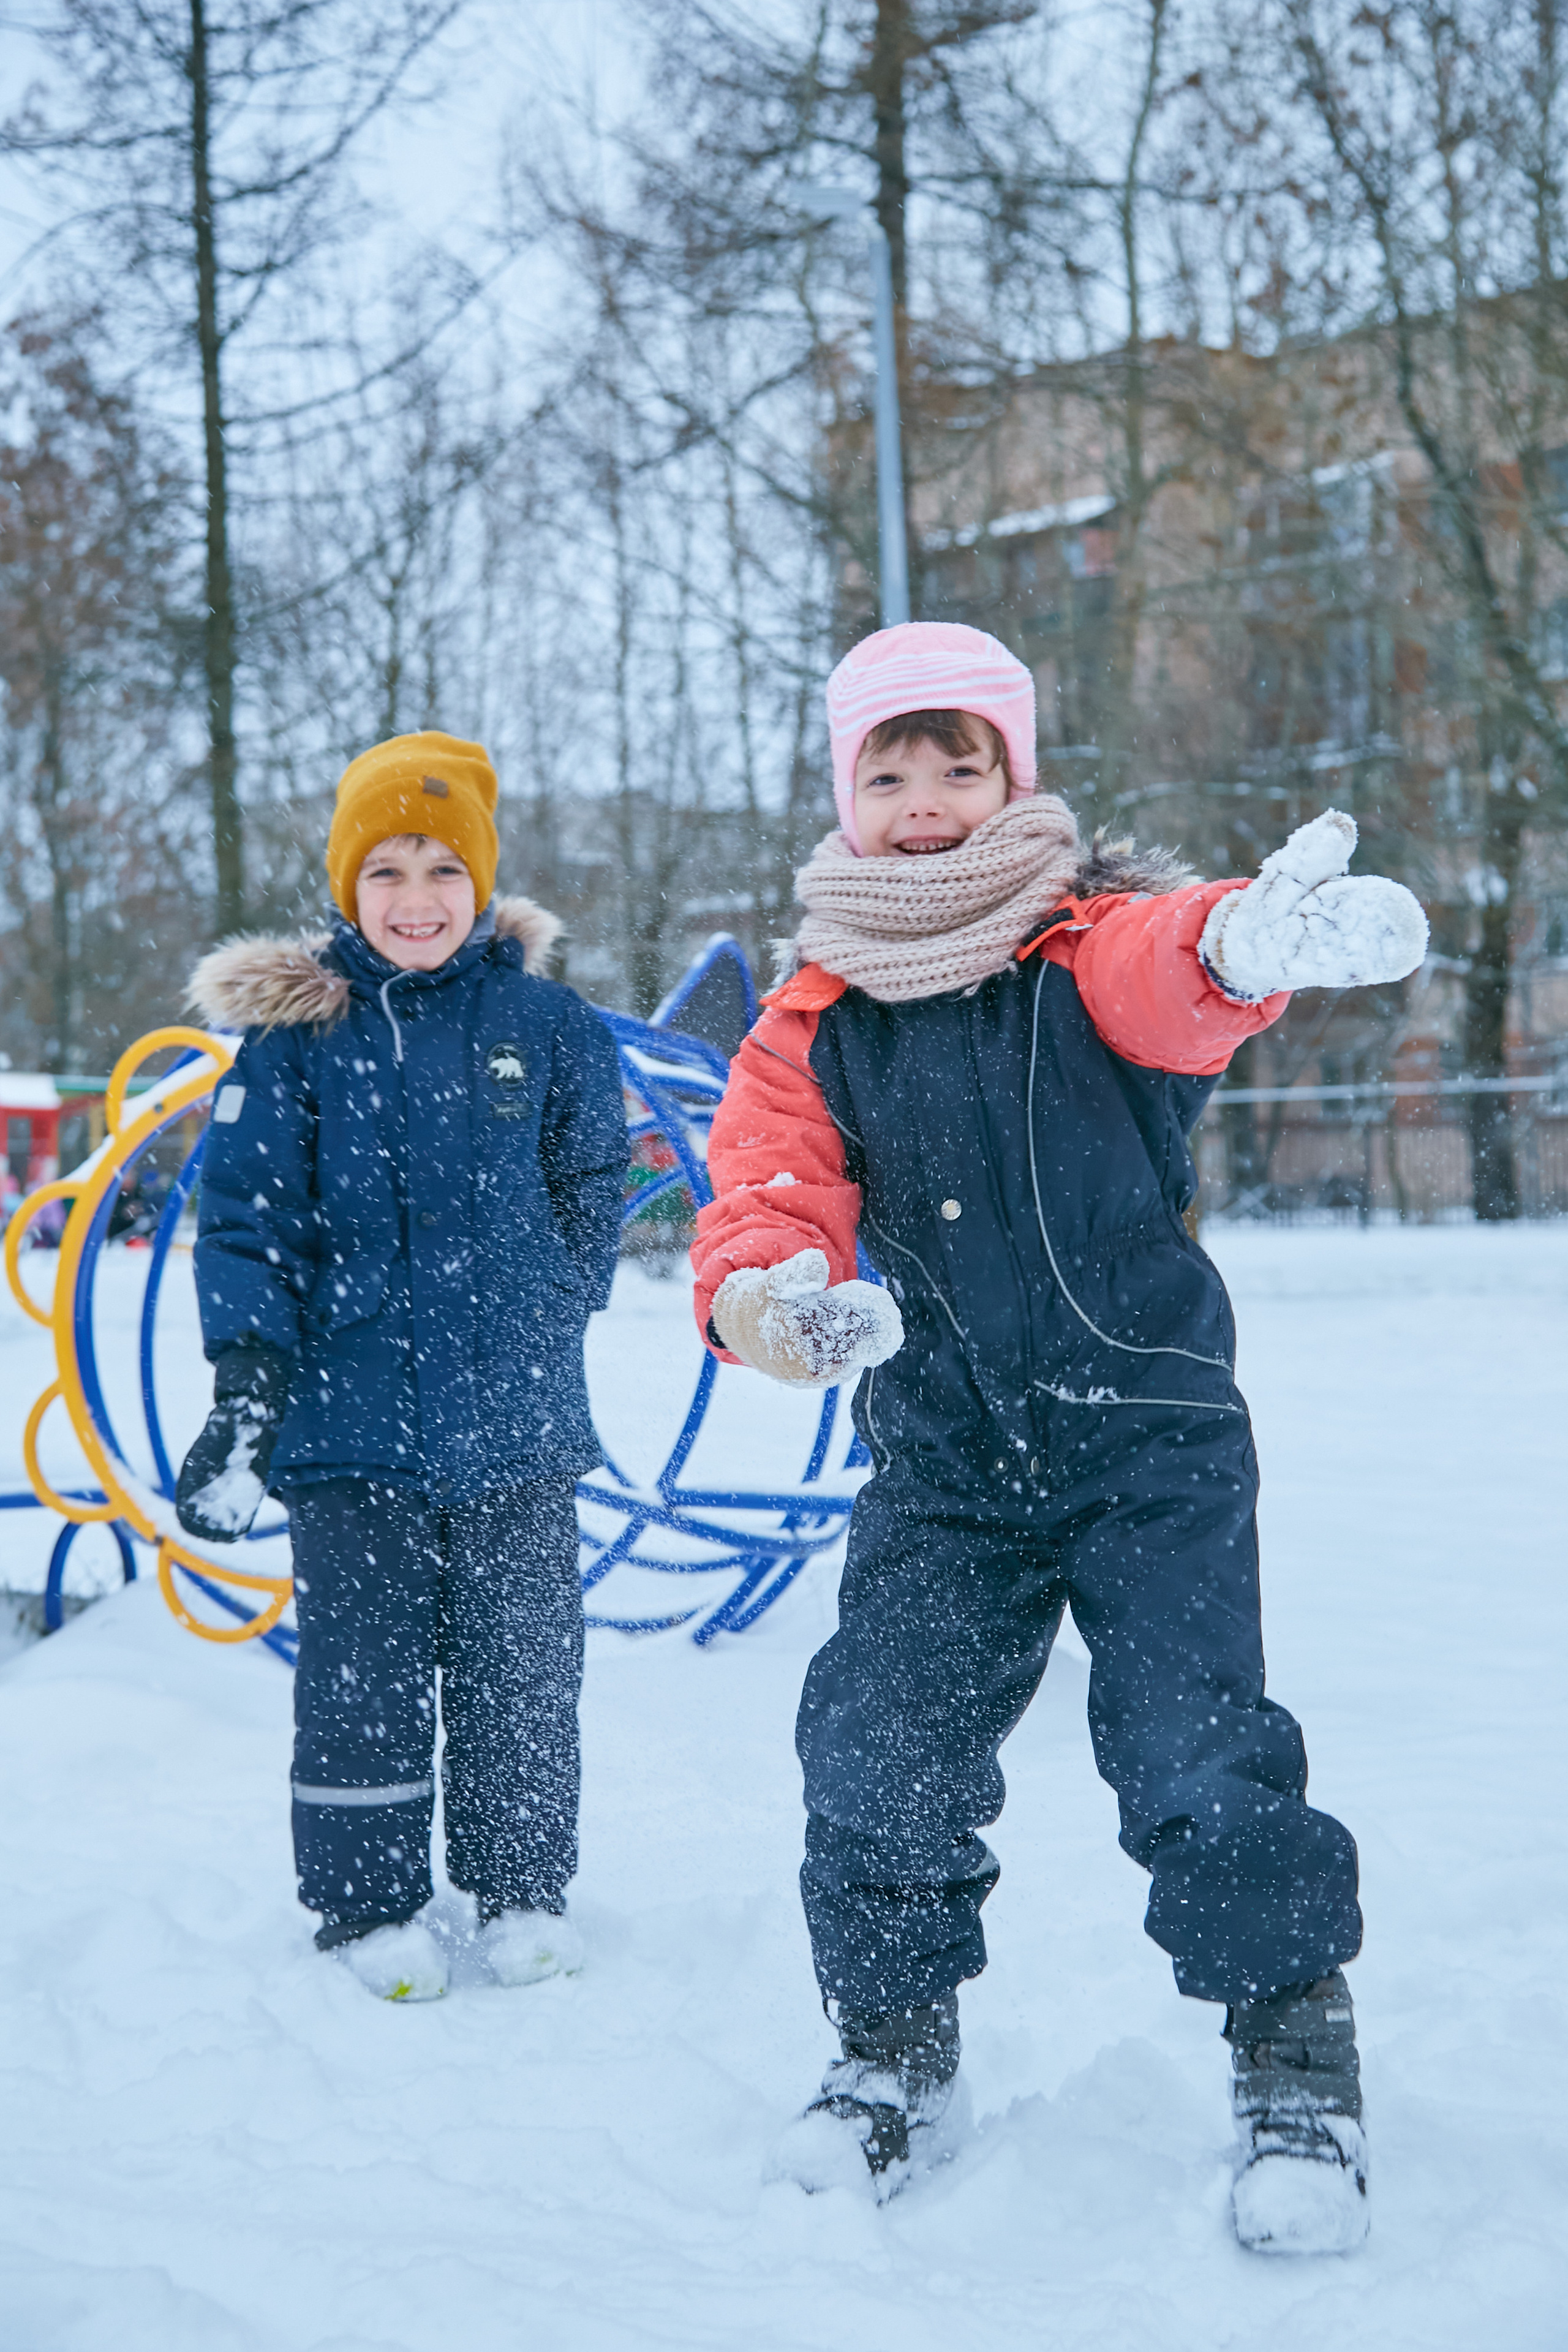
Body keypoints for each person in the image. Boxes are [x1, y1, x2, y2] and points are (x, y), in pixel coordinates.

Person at [690, 622, 1427, 2252]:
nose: (929, 798)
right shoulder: (818, 1017)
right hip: (948, 1459)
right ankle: (893, 2053)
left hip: (1146, 1437)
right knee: (877, 1746)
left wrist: (1239, 936)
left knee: (1195, 1752)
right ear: (846, 796)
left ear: (1016, 778)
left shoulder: (1082, 943)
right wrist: (764, 1301)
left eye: (964, 764)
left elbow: (1176, 979)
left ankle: (1292, 2055)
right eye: (893, 769)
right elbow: (764, 1186)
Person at [176, 732, 627, 2002]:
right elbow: (251, 1220)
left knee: (519, 1670)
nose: (416, 897)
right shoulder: (296, 1039)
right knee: (361, 1674)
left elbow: (594, 1176)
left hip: (518, 1422)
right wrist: (251, 1379)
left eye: (441, 867)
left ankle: (521, 1892)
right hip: (348, 1421)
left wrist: (553, 1297)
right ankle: (369, 1906)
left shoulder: (545, 1024)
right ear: (344, 886)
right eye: (385, 869)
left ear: (481, 882)